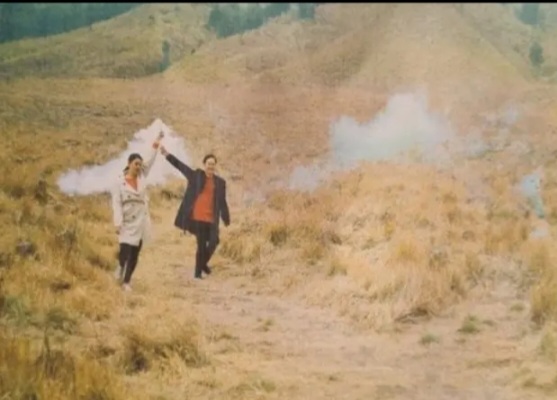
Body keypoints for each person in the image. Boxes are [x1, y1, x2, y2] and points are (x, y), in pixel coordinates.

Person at [159, 145, 230, 279]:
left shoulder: (220, 182)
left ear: (215, 166)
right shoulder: (196, 175)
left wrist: (226, 218)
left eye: (213, 164)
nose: (211, 166)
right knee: (201, 245)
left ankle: (202, 264)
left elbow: (222, 202)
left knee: (215, 241)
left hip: (212, 219)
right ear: (204, 165)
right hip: (198, 217)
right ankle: (197, 274)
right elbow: (180, 166)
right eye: (208, 164)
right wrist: (167, 154)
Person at [111, 132, 164, 291]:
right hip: (127, 220)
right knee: (125, 250)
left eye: (140, 164)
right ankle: (120, 267)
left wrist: (157, 141)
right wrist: (118, 222)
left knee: (135, 252)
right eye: (136, 164)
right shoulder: (118, 182)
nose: (138, 166)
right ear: (129, 163)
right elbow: (116, 203)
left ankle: (127, 281)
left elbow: (150, 159)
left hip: (141, 220)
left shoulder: (142, 175)